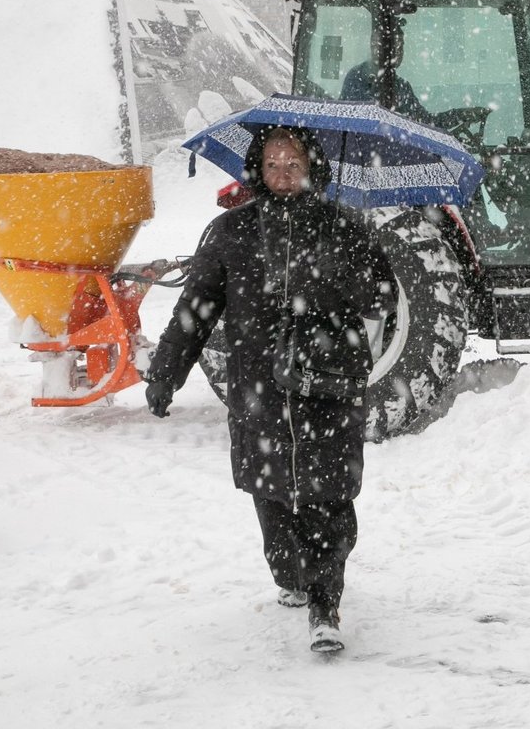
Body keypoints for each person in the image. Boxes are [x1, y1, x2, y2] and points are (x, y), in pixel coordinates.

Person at [143, 126, 396, 654]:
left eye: (294, 163)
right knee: (272, 495)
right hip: (258, 388)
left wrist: (349, 266)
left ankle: (327, 605)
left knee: (328, 495)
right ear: (259, 169)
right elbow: (196, 309)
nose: (284, 174)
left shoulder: (343, 226)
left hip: (325, 386)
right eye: (274, 164)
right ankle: (292, 575)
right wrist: (167, 372)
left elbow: (380, 298)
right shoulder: (230, 231)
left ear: (312, 168)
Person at [340, 24, 435, 124]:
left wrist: (451, 117)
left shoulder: (402, 86)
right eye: (396, 46)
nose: (400, 52)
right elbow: (363, 120)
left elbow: (424, 121)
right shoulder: (358, 77)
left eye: (401, 46)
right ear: (377, 47)